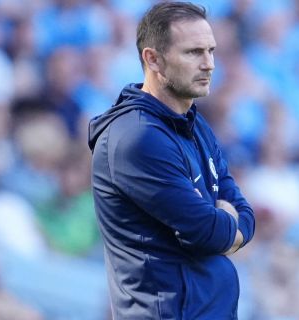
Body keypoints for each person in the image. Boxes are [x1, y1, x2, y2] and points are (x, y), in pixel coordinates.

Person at [88, 2, 256, 319]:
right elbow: (210, 231)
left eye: (211, 51)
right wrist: (224, 225)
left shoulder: (195, 124)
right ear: (153, 59)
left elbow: (244, 211)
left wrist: (226, 223)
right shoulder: (137, 138)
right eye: (193, 52)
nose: (209, 64)